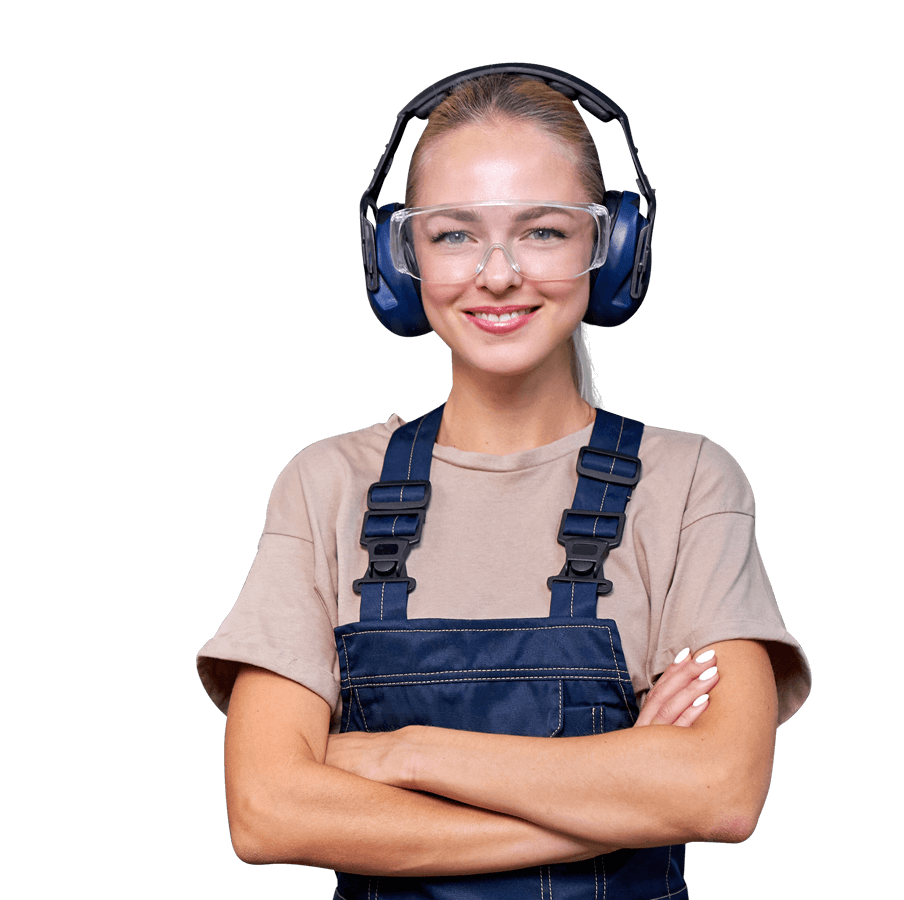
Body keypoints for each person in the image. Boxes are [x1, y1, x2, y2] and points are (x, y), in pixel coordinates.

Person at [197, 63, 810, 897]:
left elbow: (720, 793)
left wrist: (399, 754)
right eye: (453, 234)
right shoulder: (324, 487)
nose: (496, 274)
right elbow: (269, 812)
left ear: (614, 245)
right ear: (399, 252)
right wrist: (617, 783)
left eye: (544, 231)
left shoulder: (692, 482)